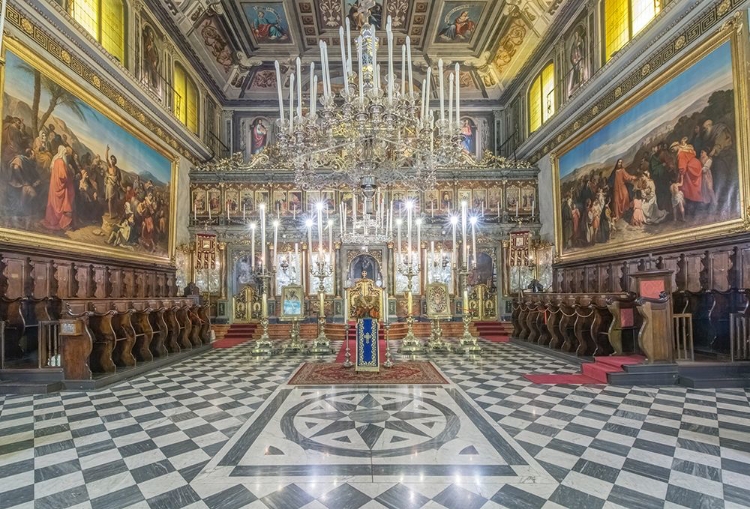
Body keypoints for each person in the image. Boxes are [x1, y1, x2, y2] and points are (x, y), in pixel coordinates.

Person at [41, 146, 76, 231]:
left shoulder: (55, 161)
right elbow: (63, 176)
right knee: (64, 203)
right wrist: (70, 177)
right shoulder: (60, 162)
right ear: (62, 153)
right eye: (65, 153)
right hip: (61, 187)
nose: (65, 155)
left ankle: (52, 220)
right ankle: (62, 223)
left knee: (54, 203)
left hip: (55, 186)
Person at [105, 145, 122, 218]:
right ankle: (110, 214)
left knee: (114, 200)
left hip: (115, 185)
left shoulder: (117, 169)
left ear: (115, 161)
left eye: (113, 160)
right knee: (110, 199)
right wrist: (107, 150)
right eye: (111, 159)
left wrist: (119, 186)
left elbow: (119, 179)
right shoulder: (109, 166)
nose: (112, 161)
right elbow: (106, 158)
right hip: (110, 185)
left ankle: (114, 213)